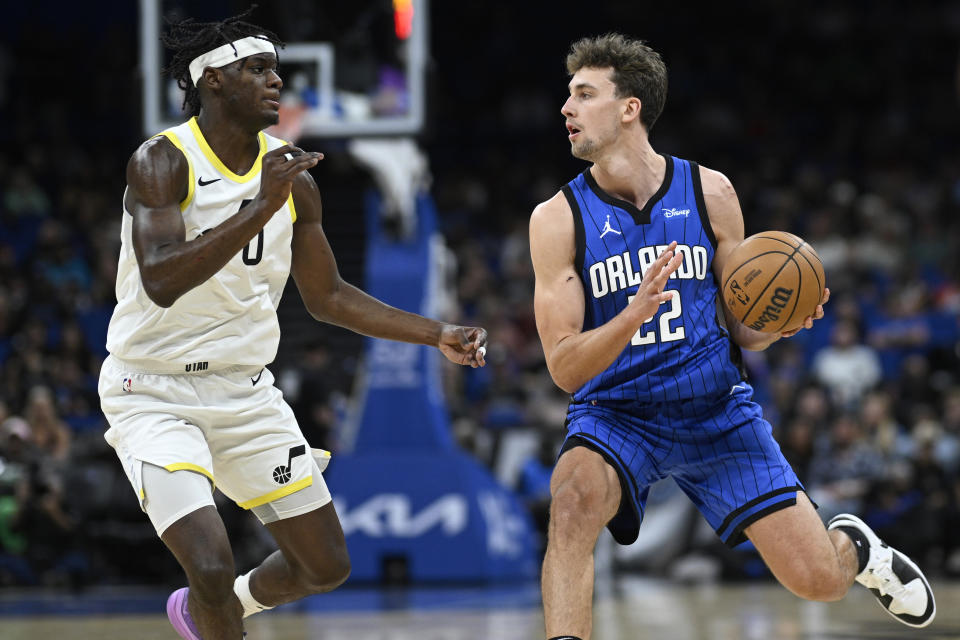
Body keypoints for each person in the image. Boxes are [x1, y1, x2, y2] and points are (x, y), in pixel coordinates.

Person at [528, 34, 934, 640]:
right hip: (616, 414)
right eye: (569, 95)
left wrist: (778, 323)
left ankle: (857, 546)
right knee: (571, 502)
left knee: (817, 581)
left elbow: (745, 329)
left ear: (629, 107)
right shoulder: (557, 218)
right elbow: (563, 369)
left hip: (715, 409)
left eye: (584, 95)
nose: (566, 108)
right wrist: (630, 316)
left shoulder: (709, 192)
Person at [97, 10, 487, 640]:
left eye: (276, 68)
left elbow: (328, 297)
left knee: (325, 566)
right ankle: (213, 603)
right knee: (209, 561)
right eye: (258, 70)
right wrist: (259, 207)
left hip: (244, 391)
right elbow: (162, 280)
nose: (276, 80)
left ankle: (212, 613)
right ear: (213, 82)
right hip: (153, 391)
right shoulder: (162, 161)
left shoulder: (291, 177)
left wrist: (434, 332)